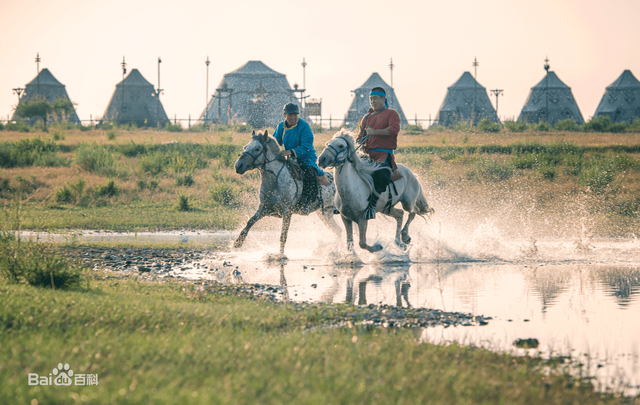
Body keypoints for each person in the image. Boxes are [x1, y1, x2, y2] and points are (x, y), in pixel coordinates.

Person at [274, 103, 330, 214]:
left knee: (309, 174)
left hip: (306, 158)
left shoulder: (304, 126)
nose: (293, 118)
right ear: (284, 114)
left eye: (295, 115)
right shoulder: (281, 126)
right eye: (290, 115)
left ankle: (307, 204)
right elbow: (275, 142)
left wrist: (290, 152)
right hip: (290, 159)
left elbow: (307, 146)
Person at [356, 87, 401, 219]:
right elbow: (360, 137)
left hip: (383, 155)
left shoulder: (392, 114)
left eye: (375, 98)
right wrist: (360, 145)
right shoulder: (367, 117)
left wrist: (374, 132)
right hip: (367, 156)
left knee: (380, 176)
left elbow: (393, 130)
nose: (372, 101)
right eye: (370, 99)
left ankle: (371, 206)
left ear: (383, 99)